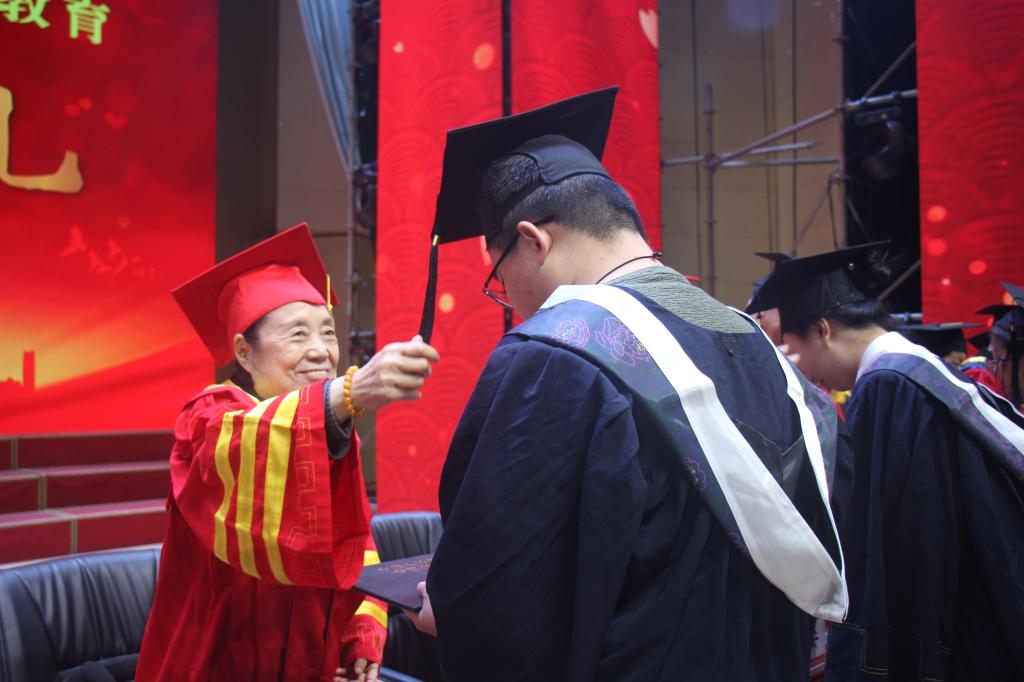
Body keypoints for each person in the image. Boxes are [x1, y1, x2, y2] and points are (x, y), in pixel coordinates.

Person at [406, 88, 850, 681]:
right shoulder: (752, 343)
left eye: (500, 278)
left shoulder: (555, 356)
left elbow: (501, 595)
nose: (508, 299)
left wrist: (452, 613)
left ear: (534, 241)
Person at [136, 224, 440, 682]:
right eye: (298, 335)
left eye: (328, 333)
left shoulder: (326, 431)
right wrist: (351, 392)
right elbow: (250, 444)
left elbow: (355, 545)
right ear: (244, 352)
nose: (321, 352)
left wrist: (359, 634)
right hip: (220, 660)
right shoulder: (207, 420)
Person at [749, 244, 1024, 681]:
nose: (802, 369)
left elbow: (882, 538)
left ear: (822, 329)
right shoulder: (916, 367)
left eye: (794, 349)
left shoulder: (887, 386)